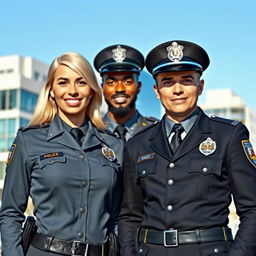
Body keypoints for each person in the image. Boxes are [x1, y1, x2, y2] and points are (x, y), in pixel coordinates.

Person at [118, 40, 256, 256]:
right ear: (156, 90)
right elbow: (129, 215)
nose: (178, 90)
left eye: (186, 80)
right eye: (168, 82)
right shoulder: (138, 144)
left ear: (200, 86)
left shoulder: (228, 135)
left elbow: (252, 210)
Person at [0, 52, 122, 256]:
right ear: (51, 91)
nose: (72, 91)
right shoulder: (28, 141)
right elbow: (11, 213)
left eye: (81, 82)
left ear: (92, 91)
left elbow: (117, 217)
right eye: (63, 82)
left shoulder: (114, 144)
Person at [94, 44, 158, 143]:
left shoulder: (157, 131)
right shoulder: (91, 131)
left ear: (139, 87)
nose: (120, 89)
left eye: (127, 82)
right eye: (111, 83)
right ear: (102, 88)